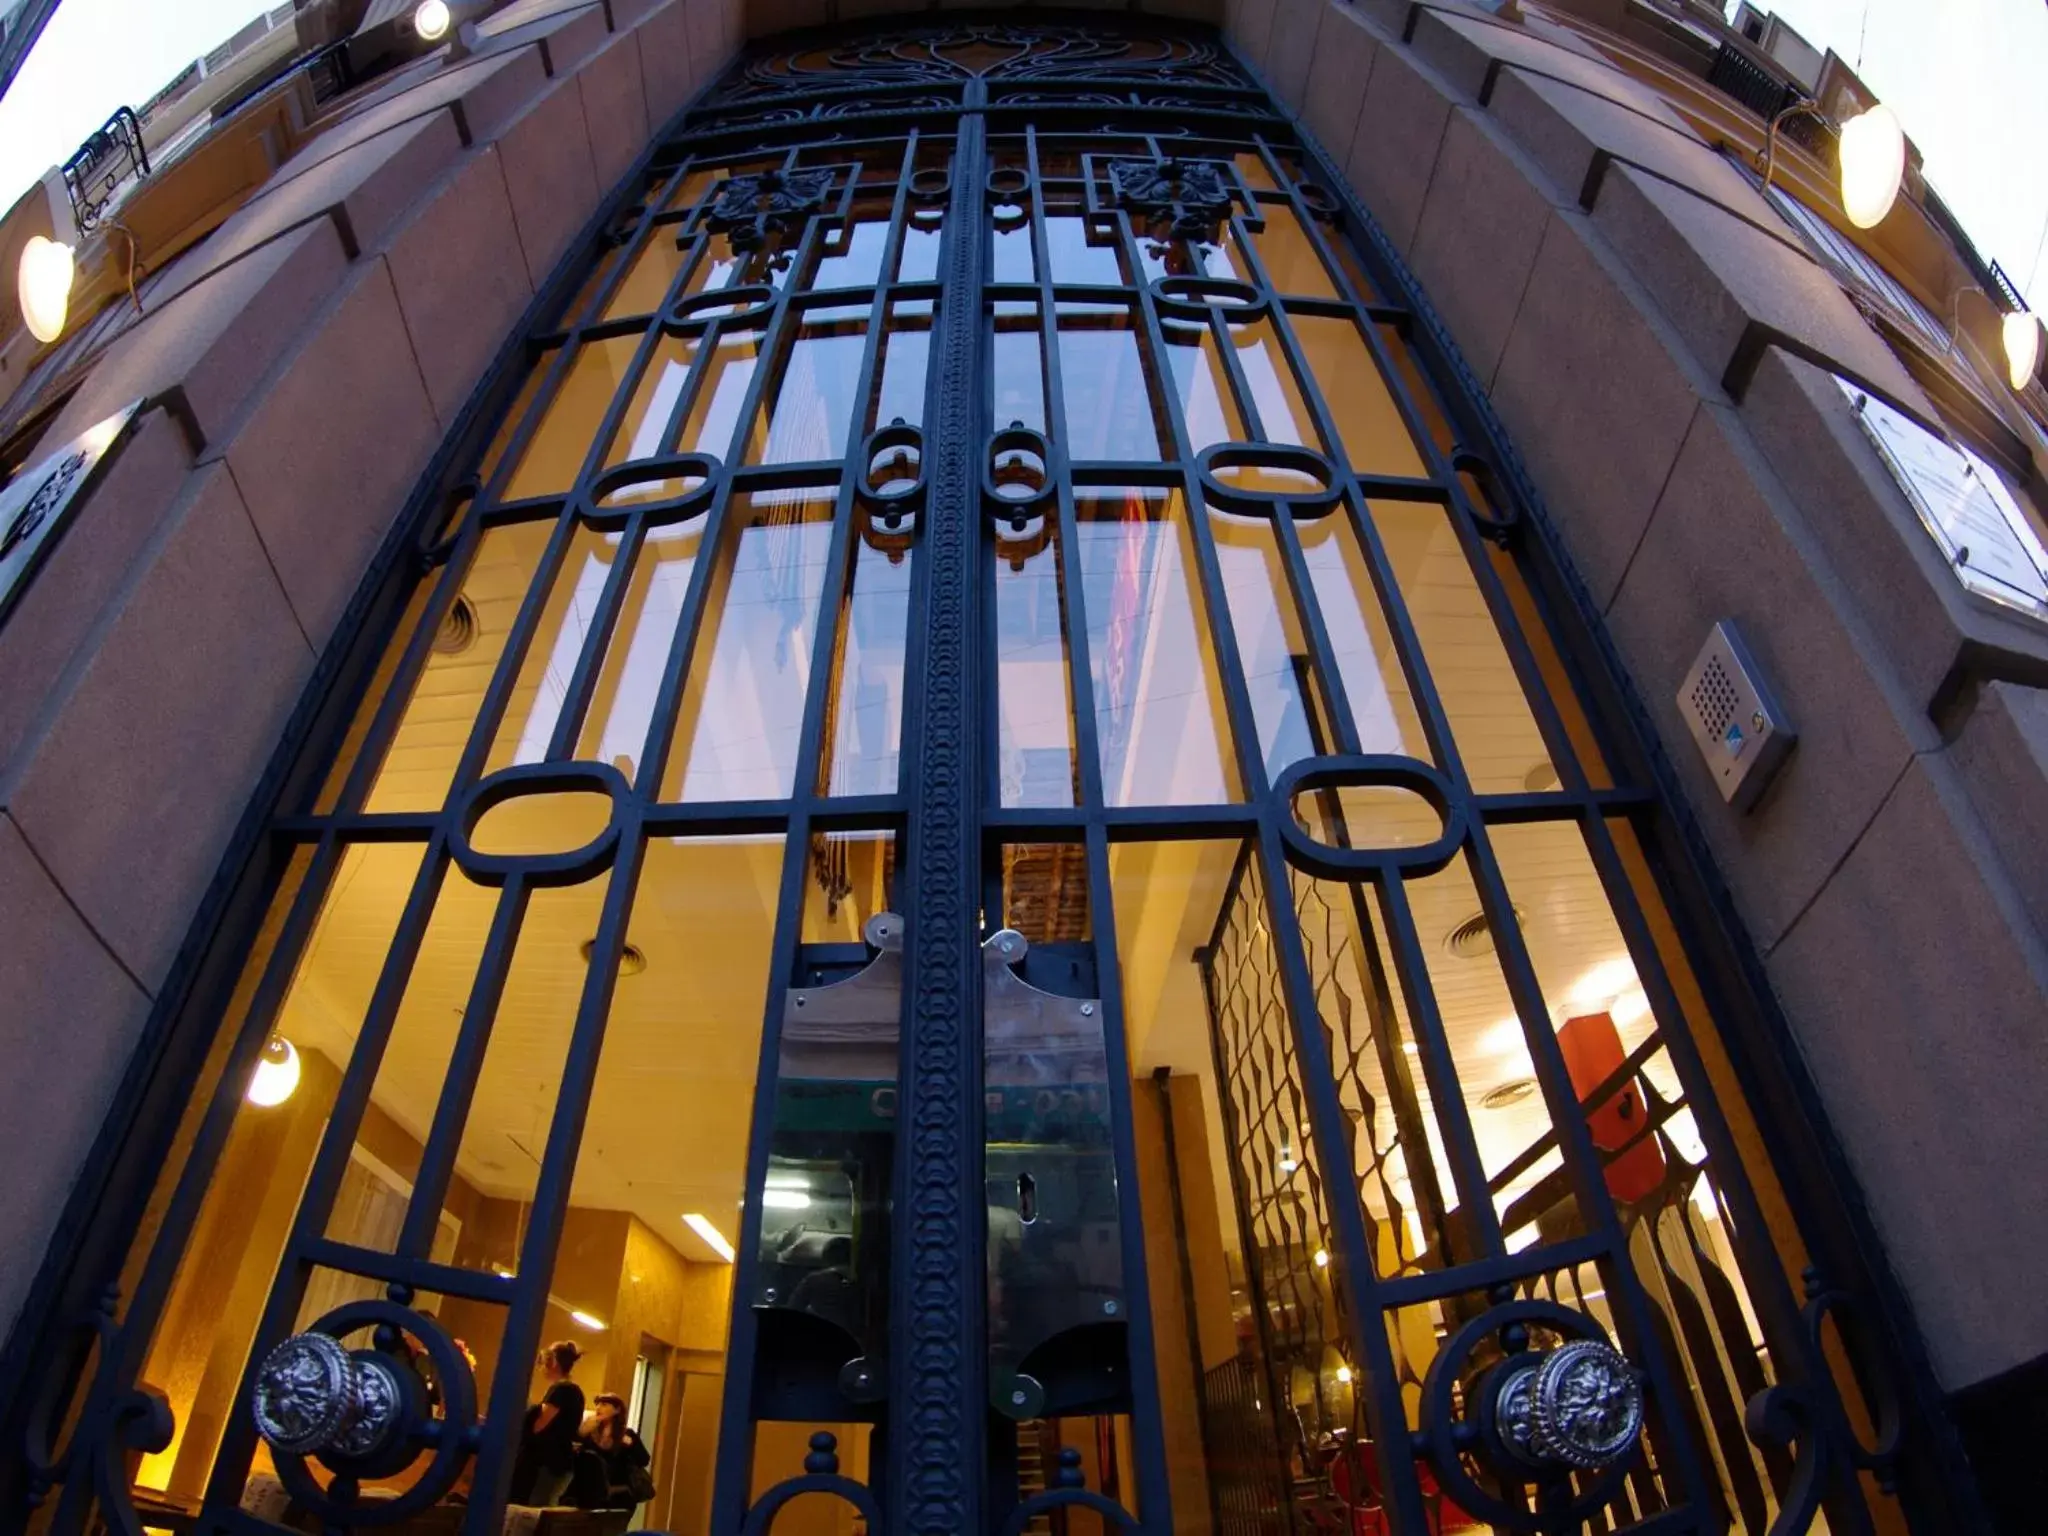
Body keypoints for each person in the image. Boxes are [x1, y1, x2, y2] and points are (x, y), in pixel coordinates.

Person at [508, 1340, 586, 1506]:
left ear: (553, 1363)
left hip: (547, 1462)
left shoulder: (560, 1390)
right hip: (559, 1459)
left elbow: (538, 1426)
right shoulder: (575, 1391)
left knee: (534, 1509)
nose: (541, 1367)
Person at [570, 1393, 653, 1510]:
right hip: (590, 1493)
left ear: (617, 1410)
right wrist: (582, 1433)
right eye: (597, 1404)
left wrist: (631, 1445)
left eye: (604, 1404)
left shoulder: (627, 1434)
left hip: (619, 1494)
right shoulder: (589, 1431)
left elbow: (644, 1460)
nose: (598, 1408)